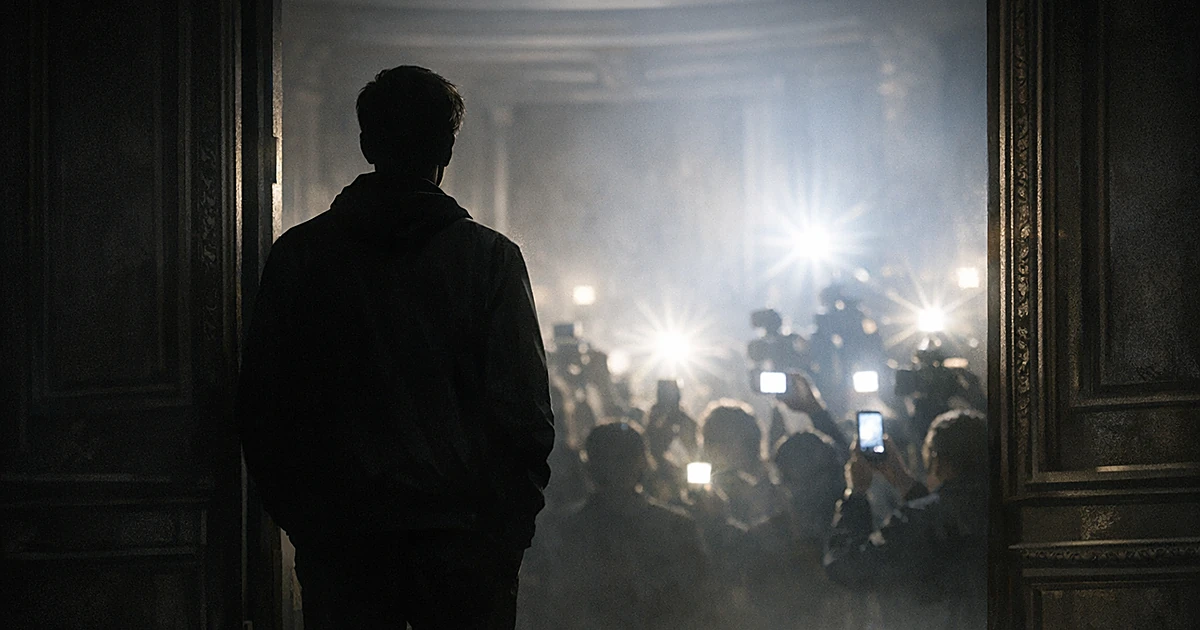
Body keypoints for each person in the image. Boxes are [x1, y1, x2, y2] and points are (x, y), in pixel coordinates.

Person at [236, 65, 554, 629]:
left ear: (367, 144)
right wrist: (504, 536)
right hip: (463, 547)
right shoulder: (490, 261)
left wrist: (308, 524)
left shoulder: (301, 256)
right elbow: (523, 415)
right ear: (448, 145)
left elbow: (265, 409)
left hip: (344, 543)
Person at [823, 409, 988, 630]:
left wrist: (856, 495)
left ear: (937, 461)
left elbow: (847, 566)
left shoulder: (916, 520)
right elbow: (947, 516)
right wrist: (902, 480)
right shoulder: (1006, 510)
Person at [548, 422, 717, 629]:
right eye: (608, 459)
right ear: (643, 462)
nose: (613, 468)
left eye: (620, 459)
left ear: (587, 465)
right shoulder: (676, 526)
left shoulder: (564, 528)